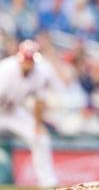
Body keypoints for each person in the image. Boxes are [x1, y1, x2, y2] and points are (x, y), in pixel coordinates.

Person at [0, 40, 58, 187]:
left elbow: (39, 102)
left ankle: (47, 182)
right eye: (26, 59)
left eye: (30, 59)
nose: (28, 63)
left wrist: (37, 125)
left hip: (12, 111)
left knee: (41, 137)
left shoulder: (39, 72)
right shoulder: (6, 69)